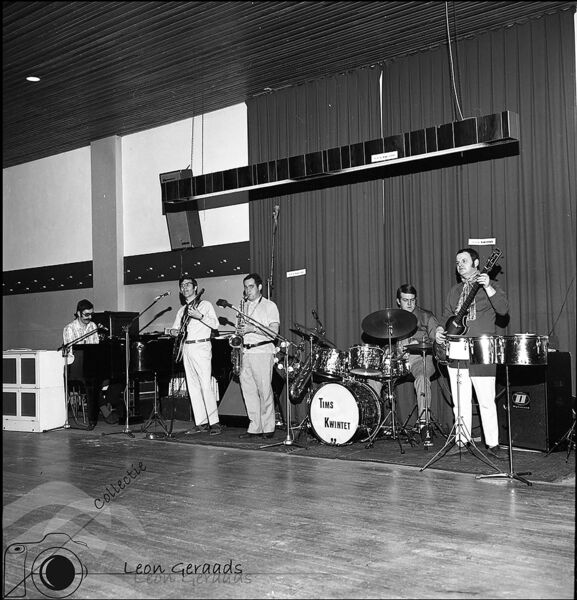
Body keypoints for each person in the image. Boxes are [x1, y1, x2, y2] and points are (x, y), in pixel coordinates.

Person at [434, 248, 509, 459]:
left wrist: (488, 287)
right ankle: (461, 441)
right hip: (457, 347)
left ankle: (493, 444)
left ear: (476, 263)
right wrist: (439, 329)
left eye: (464, 261)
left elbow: (503, 310)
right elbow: (446, 316)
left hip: (481, 349)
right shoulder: (454, 291)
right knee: (460, 399)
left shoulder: (490, 286)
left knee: (486, 399)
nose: (459, 265)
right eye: (457, 262)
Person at [168, 276, 221, 435]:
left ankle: (215, 423)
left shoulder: (205, 305)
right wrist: (173, 332)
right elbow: (175, 329)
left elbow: (215, 325)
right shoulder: (181, 310)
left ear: (195, 287)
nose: (184, 288)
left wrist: (200, 316)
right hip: (187, 348)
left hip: (201, 347)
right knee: (192, 387)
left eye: (188, 285)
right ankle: (201, 422)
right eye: (182, 286)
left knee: (205, 385)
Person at [63, 299, 121, 428]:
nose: (89, 317)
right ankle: (104, 411)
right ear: (78, 313)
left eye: (91, 314)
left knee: (117, 378)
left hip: (91, 365)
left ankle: (106, 403)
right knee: (94, 382)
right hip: (75, 366)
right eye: (86, 314)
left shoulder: (93, 326)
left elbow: (96, 348)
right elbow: (72, 352)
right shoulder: (69, 329)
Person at [238, 273, 280, 439]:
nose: (248, 290)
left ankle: (268, 427)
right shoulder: (243, 306)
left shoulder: (269, 306)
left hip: (262, 351)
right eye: (245, 287)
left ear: (260, 287)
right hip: (245, 352)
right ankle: (255, 426)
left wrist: (253, 329)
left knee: (264, 390)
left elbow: (274, 333)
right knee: (248, 392)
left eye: (251, 286)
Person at [393, 284, 440, 434]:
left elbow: (438, 343)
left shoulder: (427, 316)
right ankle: (372, 425)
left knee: (422, 378)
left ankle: (424, 424)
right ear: (398, 301)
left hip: (420, 358)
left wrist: (419, 344)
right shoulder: (391, 318)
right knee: (374, 376)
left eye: (412, 300)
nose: (409, 304)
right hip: (398, 359)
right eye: (405, 300)